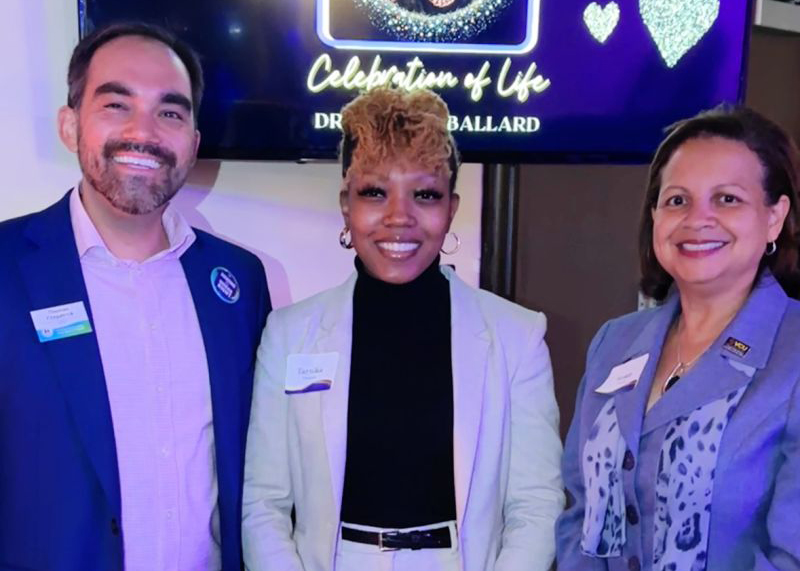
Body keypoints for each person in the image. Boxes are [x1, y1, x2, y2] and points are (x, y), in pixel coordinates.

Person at [242, 87, 563, 571]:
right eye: (375, 192)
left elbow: (536, 505)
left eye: (425, 194)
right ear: (346, 204)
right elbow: (263, 504)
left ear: (451, 208)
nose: (399, 217)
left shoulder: (516, 337)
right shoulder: (288, 335)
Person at [0, 23, 270, 570]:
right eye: (116, 105)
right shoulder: (6, 267)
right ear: (70, 125)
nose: (143, 133)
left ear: (193, 141)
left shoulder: (237, 281)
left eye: (170, 112)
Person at [556, 107, 800, 570]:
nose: (697, 219)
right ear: (655, 217)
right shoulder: (614, 341)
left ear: (774, 217)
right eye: (677, 200)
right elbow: (580, 510)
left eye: (727, 199)